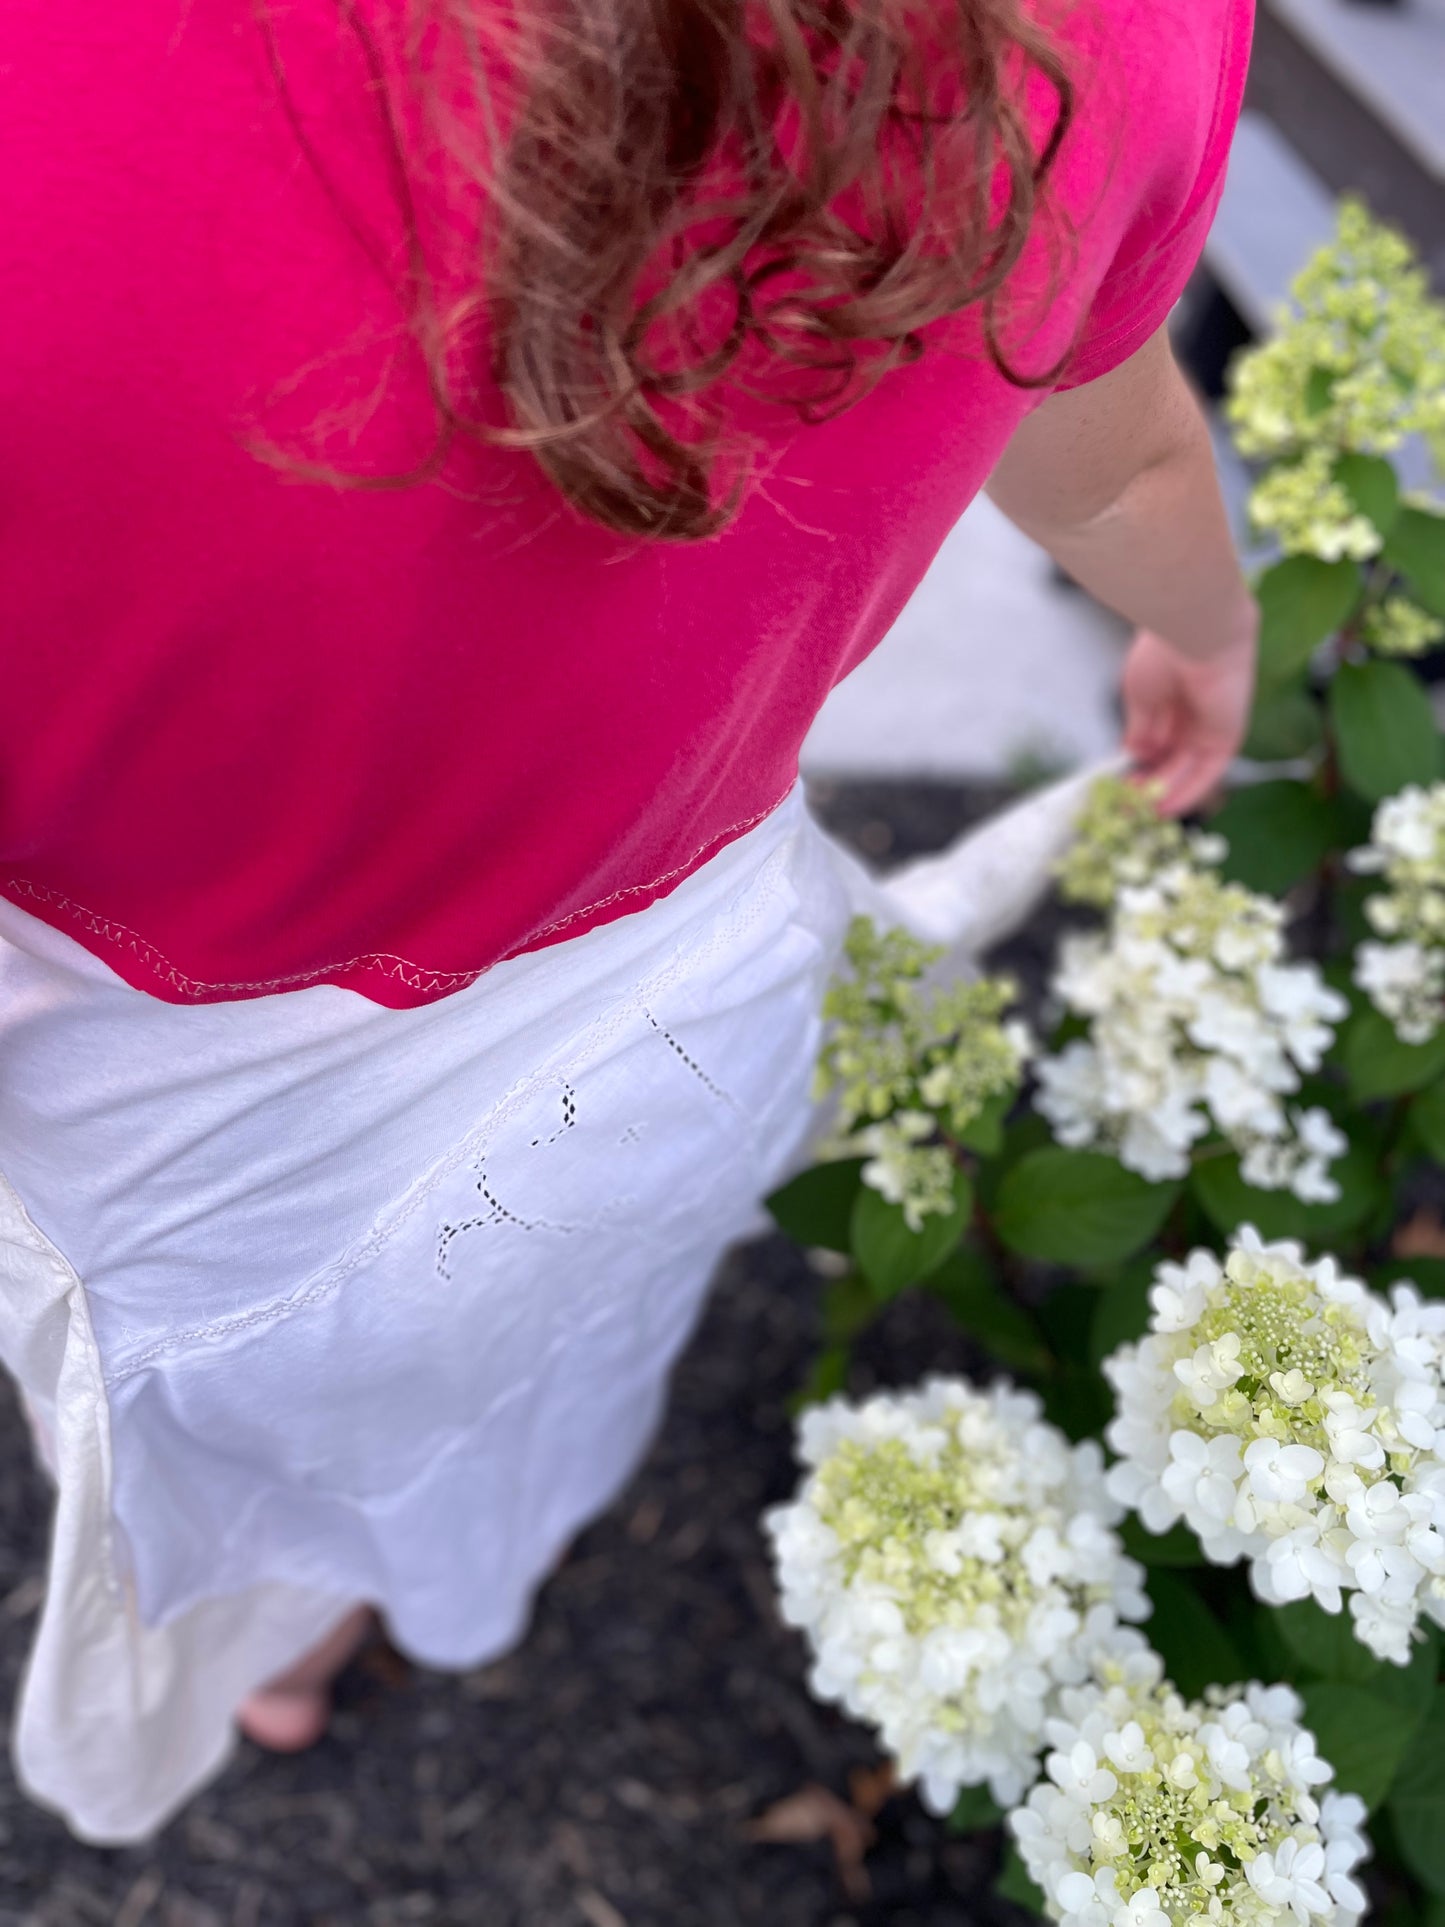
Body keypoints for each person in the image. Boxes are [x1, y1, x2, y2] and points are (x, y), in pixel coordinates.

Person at [0, 0, 1257, 1842]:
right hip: (645, 1007)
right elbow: (1128, 460)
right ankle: (294, 1643)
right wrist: (1210, 637)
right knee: (448, 1411)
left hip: (131, 1063)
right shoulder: (1102, 33)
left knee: (154, 1390)